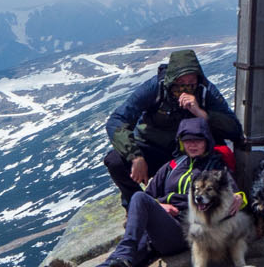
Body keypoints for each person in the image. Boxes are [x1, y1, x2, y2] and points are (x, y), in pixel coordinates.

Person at [45, 116, 236, 267]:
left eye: (197, 140)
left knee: (136, 202)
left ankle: (126, 253)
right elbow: (149, 195)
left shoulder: (215, 168)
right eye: (187, 140)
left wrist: (238, 197)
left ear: (206, 141)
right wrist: (160, 206)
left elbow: (232, 196)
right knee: (120, 261)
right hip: (160, 230)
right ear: (181, 142)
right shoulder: (172, 166)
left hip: (186, 230)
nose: (192, 144)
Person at [102, 48, 242, 208]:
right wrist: (135, 156)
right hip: (153, 148)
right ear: (171, 79)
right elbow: (117, 119)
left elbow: (234, 129)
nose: (185, 88)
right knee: (115, 161)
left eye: (191, 84)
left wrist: (201, 113)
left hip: (190, 152)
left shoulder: (205, 91)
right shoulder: (155, 88)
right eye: (180, 83)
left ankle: (194, 208)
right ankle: (137, 206)